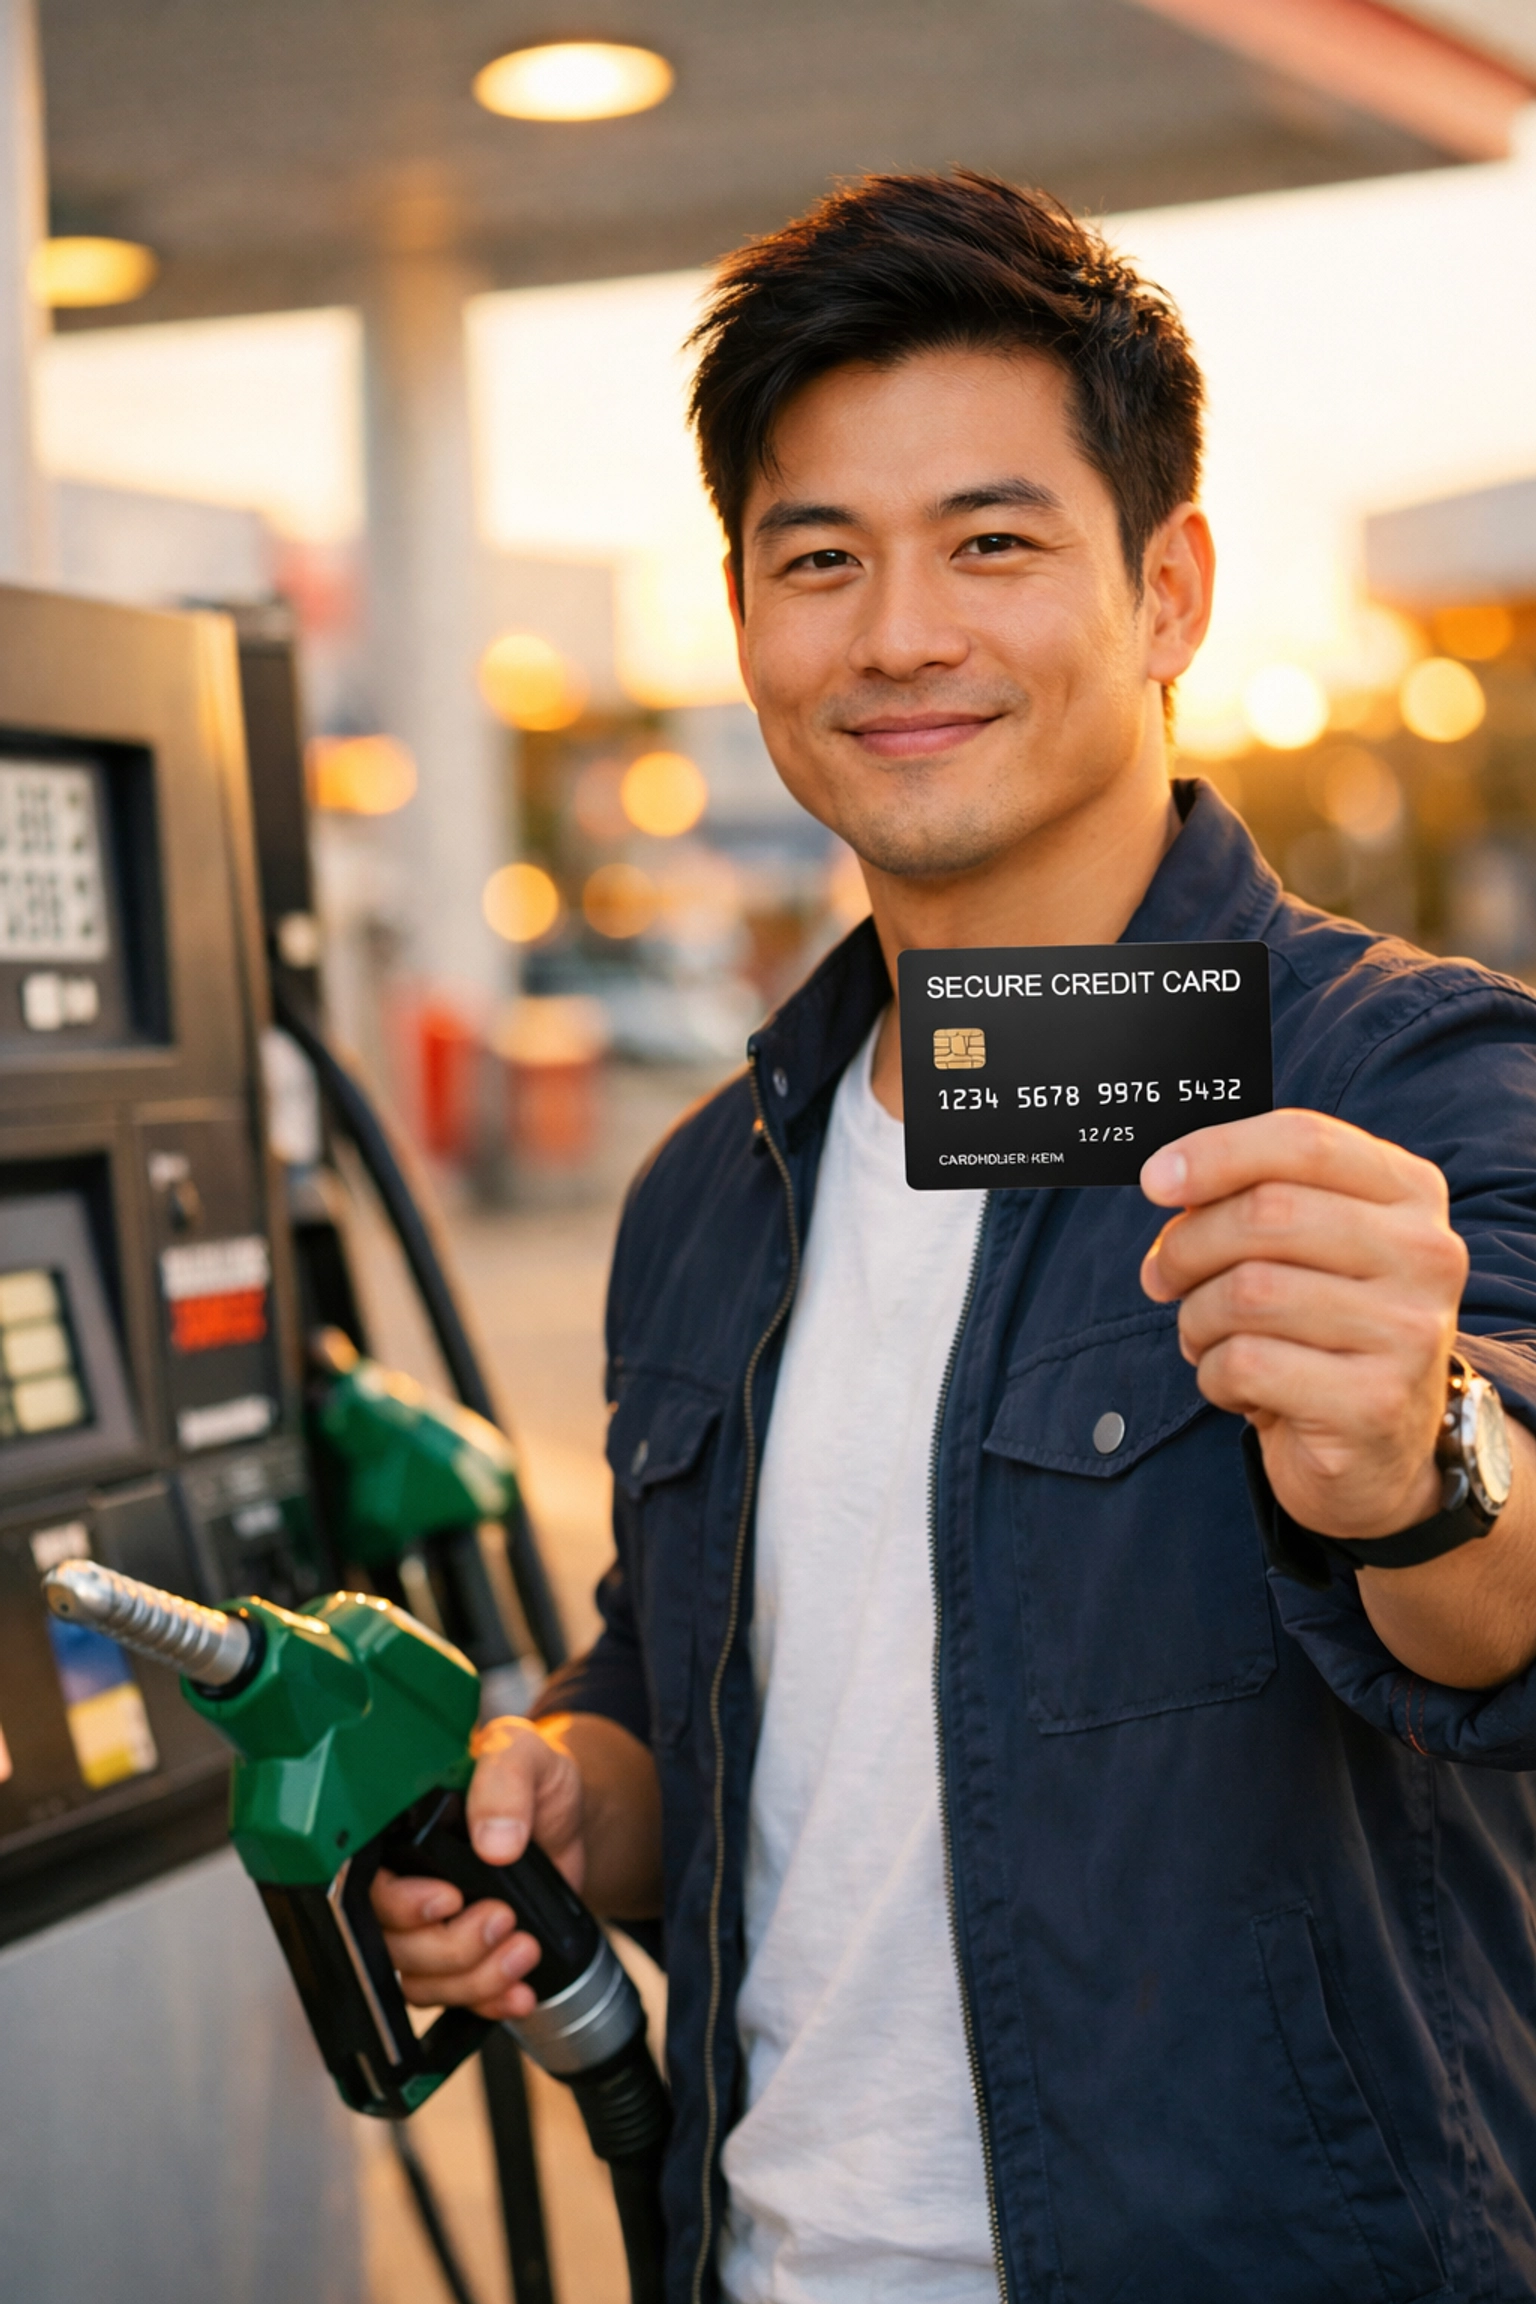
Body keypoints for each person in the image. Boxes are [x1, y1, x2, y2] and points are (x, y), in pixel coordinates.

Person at [374, 173, 1536, 2303]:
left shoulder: (1407, 1081)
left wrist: (1427, 1449)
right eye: (821, 559)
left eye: (993, 543)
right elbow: (681, 1710)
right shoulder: (712, 1180)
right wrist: (552, 1793)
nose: (899, 632)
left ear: (1171, 589)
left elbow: (1519, 1586)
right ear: (743, 619)